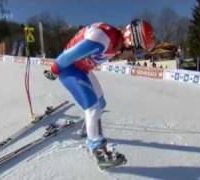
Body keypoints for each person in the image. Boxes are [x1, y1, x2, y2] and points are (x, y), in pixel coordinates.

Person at [44, 19, 155, 166]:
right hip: (68, 69)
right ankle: (97, 149)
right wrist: (54, 70)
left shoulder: (117, 42)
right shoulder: (103, 39)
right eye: (138, 50)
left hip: (82, 70)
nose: (135, 56)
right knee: (93, 108)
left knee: (101, 103)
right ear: (130, 40)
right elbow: (68, 56)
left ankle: (88, 130)